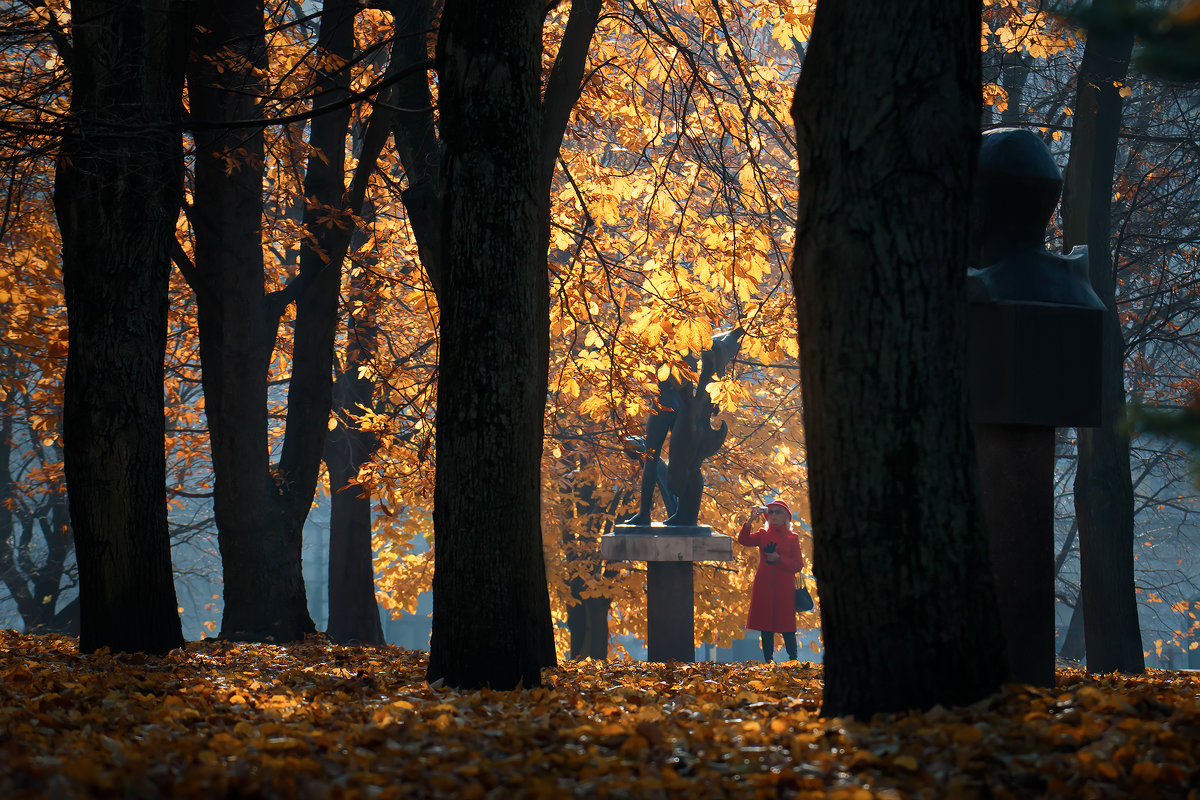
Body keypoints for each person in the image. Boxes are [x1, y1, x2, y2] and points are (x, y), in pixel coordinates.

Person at [736, 499, 803, 662]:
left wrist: (778, 558)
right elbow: (744, 540)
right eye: (770, 511)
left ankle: (793, 660)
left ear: (786, 516)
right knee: (766, 625)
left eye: (777, 511)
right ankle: (768, 661)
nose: (773, 515)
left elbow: (798, 565)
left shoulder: (792, 538)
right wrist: (750, 520)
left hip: (784, 587)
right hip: (764, 584)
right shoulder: (763, 534)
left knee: (787, 625)